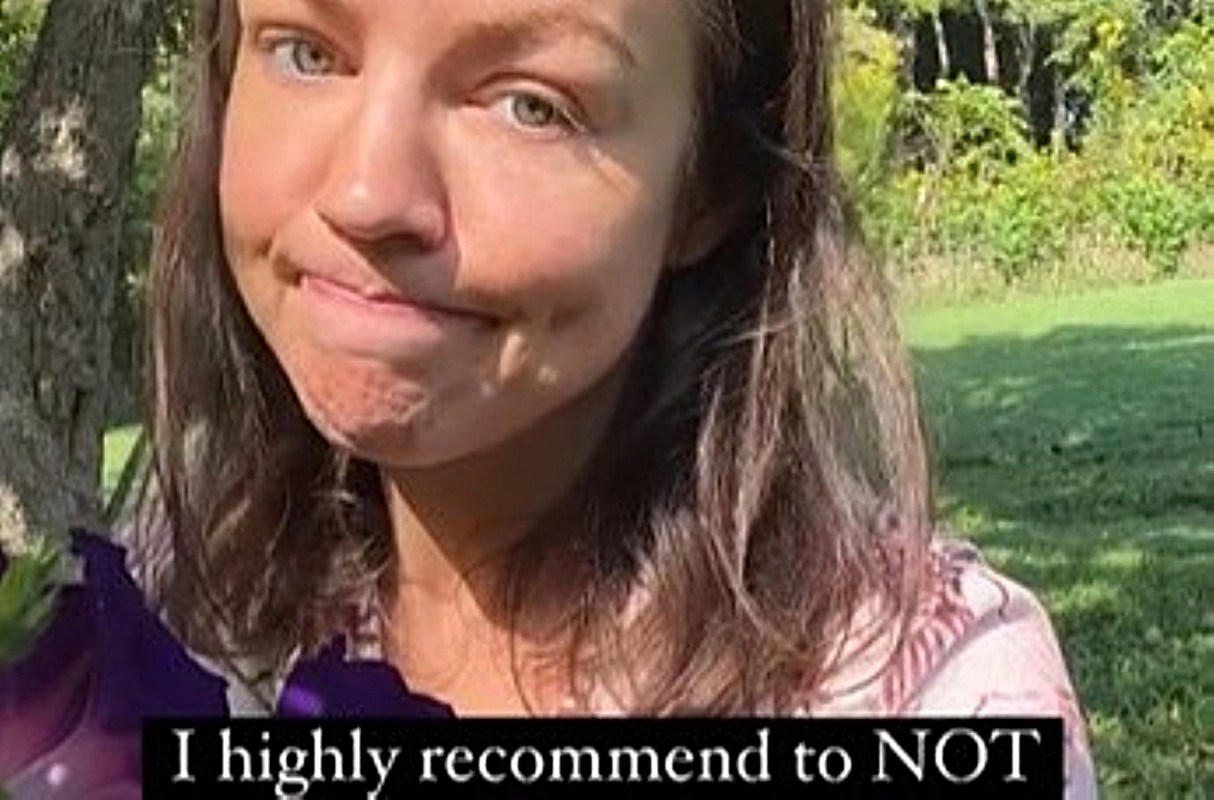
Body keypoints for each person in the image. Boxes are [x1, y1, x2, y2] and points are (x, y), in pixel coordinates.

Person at [133, 0, 1095, 793]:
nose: (367, 193)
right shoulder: (173, 602)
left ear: (708, 187)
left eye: (530, 106)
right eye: (306, 52)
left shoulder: (939, 698)